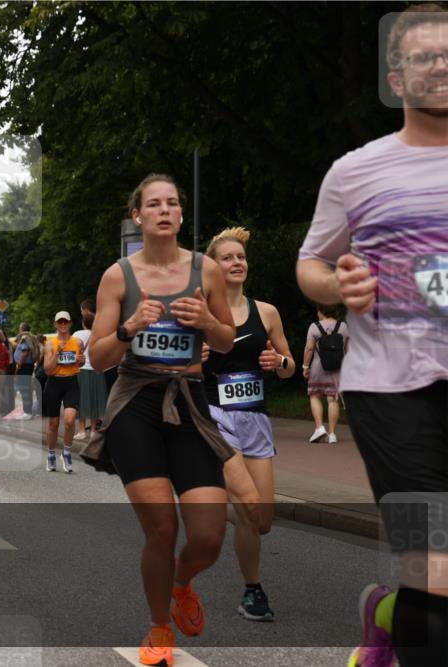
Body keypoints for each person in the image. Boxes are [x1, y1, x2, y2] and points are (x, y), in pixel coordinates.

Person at [297, 7, 448, 665]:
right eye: (424, 56)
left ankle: (386, 614)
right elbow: (310, 262)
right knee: (433, 567)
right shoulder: (356, 170)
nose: (440, 65)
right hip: (391, 390)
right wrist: (338, 286)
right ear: (397, 77)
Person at [85, 174, 236, 666]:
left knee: (210, 536)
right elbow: (100, 357)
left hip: (189, 400)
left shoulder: (207, 271)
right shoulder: (118, 276)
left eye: (172, 203)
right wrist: (131, 326)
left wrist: (208, 323)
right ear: (139, 216)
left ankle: (182, 582)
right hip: (137, 403)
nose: (164, 210)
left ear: (180, 215)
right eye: (154, 204)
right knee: (162, 530)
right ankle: (158, 628)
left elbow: (228, 341)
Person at [202, 226, 297, 623]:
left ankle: (211, 500)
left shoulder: (267, 312)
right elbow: (171, 368)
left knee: (262, 522)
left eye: (241, 257)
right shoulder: (201, 311)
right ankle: (253, 590)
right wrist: (196, 358)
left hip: (256, 417)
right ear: (213, 266)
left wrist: (280, 364)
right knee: (248, 505)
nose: (237, 262)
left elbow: (293, 368)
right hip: (215, 416)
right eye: (228, 257)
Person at [43, 311, 85, 472]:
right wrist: (57, 353)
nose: (62, 324)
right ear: (55, 324)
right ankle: (51, 455)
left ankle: (66, 453)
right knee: (53, 424)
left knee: (70, 419)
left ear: (69, 324)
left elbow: (79, 362)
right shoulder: (50, 344)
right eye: (59, 322)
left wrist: (82, 361)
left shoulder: (78, 342)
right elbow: (47, 369)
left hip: (71, 382)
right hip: (54, 383)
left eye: (65, 322)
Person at [302, 303, 349, 443]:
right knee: (332, 399)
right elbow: (348, 350)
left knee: (314, 395)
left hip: (318, 367)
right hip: (337, 368)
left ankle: (319, 428)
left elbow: (309, 349)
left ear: (321, 311)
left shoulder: (314, 327)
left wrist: (305, 366)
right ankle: (332, 434)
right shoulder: (343, 326)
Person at [72, 299, 107, 441]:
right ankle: (93, 430)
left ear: (83, 323)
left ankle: (81, 430)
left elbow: (71, 353)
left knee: (81, 401)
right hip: (97, 371)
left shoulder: (77, 334)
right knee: (94, 401)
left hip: (81, 371)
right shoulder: (100, 335)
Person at [12, 322, 38, 419]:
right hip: (27, 366)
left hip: (25, 366)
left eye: (19, 328)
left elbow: (25, 352)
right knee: (25, 388)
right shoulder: (29, 337)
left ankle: (27, 412)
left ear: (22, 329)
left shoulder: (25, 338)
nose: (19, 330)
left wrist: (19, 365)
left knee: (25, 389)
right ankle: (27, 411)